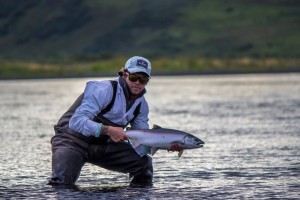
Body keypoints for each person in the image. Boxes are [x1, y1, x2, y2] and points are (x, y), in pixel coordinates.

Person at [48, 56, 154, 187]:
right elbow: (76, 122)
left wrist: (164, 144)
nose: (137, 82)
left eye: (143, 79)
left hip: (102, 146)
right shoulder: (103, 89)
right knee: (61, 185)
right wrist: (108, 130)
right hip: (71, 141)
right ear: (124, 74)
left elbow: (142, 139)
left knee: (144, 164)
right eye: (133, 77)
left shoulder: (141, 106)